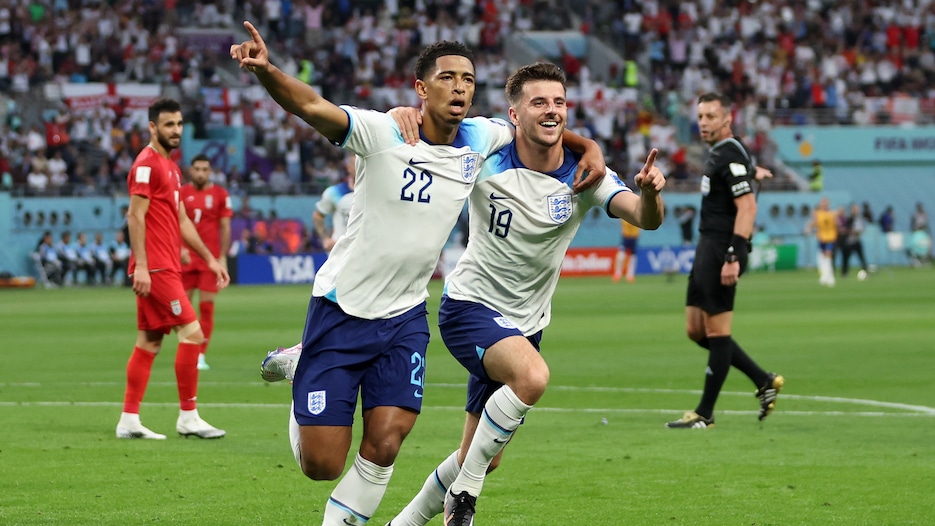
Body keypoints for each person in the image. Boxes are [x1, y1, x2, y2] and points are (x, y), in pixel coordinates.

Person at [232, 24, 605, 526]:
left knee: (386, 443)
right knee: (322, 465)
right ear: (421, 88)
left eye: (468, 79)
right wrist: (267, 71)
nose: (460, 87)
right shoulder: (382, 132)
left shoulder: (481, 136)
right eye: (446, 78)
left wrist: (591, 149)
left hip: (405, 317)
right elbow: (312, 107)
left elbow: (543, 126)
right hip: (342, 310)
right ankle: (304, 368)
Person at [387, 62, 665, 526]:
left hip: (526, 325)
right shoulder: (485, 151)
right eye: (538, 102)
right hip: (469, 307)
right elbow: (436, 122)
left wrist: (651, 193)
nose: (551, 111)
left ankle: (407, 521)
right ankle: (465, 499)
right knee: (533, 378)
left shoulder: (585, 174)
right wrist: (405, 114)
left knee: (480, 454)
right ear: (514, 115)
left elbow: (645, 217)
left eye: (558, 102)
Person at [666, 92, 783, 430]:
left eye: (710, 117)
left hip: (721, 249)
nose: (703, 123)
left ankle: (705, 413)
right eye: (700, 116)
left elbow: (747, 207)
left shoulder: (728, 152)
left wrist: (734, 253)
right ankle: (763, 379)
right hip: (708, 247)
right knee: (694, 329)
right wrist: (752, 170)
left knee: (717, 332)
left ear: (726, 120)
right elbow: (739, 173)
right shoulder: (727, 153)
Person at [116, 98, 230, 441]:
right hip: (158, 268)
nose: (176, 131)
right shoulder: (146, 166)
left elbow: (180, 220)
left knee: (149, 342)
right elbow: (135, 216)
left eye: (179, 124)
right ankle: (188, 416)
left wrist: (210, 258)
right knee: (193, 333)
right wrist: (143, 267)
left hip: (164, 266)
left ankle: (129, 419)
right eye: (169, 125)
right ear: (153, 127)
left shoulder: (171, 168)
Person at [180, 153, 233, 371]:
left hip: (209, 259)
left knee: (206, 308)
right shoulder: (182, 193)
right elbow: (174, 222)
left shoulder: (220, 194)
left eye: (205, 169)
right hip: (185, 258)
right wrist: (179, 248)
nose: (201, 173)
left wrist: (222, 257)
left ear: (210, 171)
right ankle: (188, 348)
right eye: (197, 169)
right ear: (191, 171)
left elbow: (225, 227)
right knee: (183, 309)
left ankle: (200, 354)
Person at [312, 154, 355, 252]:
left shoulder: (373, 192)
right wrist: (325, 239)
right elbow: (318, 216)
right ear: (349, 168)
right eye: (357, 164)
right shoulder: (334, 192)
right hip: (342, 252)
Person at [805, 197, 838, 287]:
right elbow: (814, 222)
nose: (824, 205)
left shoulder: (832, 214)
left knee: (828, 256)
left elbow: (836, 223)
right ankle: (825, 276)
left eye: (825, 204)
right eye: (822, 204)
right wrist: (808, 227)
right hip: (821, 238)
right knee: (823, 257)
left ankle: (829, 277)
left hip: (830, 238)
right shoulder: (818, 214)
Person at [841, 203, 868, 280]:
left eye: (857, 209)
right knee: (846, 258)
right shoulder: (848, 218)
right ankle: (844, 273)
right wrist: (850, 231)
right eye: (855, 209)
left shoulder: (860, 218)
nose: (856, 211)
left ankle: (865, 271)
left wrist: (858, 232)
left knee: (861, 257)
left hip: (857, 240)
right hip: (849, 241)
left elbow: (862, 228)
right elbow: (845, 228)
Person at [612, 218, 640, 283]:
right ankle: (618, 273)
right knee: (620, 255)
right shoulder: (625, 215)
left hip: (634, 237)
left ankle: (630, 275)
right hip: (625, 237)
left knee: (633, 257)